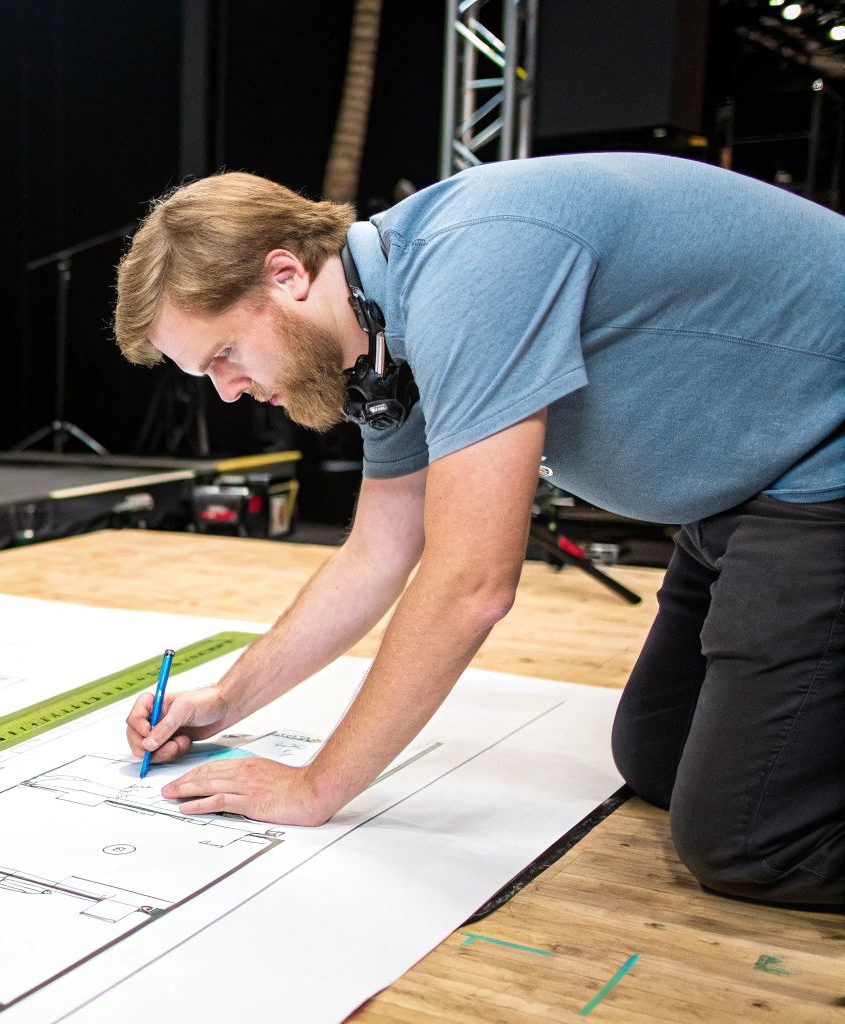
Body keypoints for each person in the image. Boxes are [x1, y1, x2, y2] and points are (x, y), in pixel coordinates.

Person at [113, 152, 844, 907]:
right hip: (742, 496)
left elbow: (471, 583)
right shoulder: (385, 330)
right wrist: (227, 700)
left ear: (286, 275)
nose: (230, 392)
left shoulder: (471, 269)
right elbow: (377, 552)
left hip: (822, 466)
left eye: (225, 355)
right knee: (659, 755)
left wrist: (317, 786)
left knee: (749, 838)